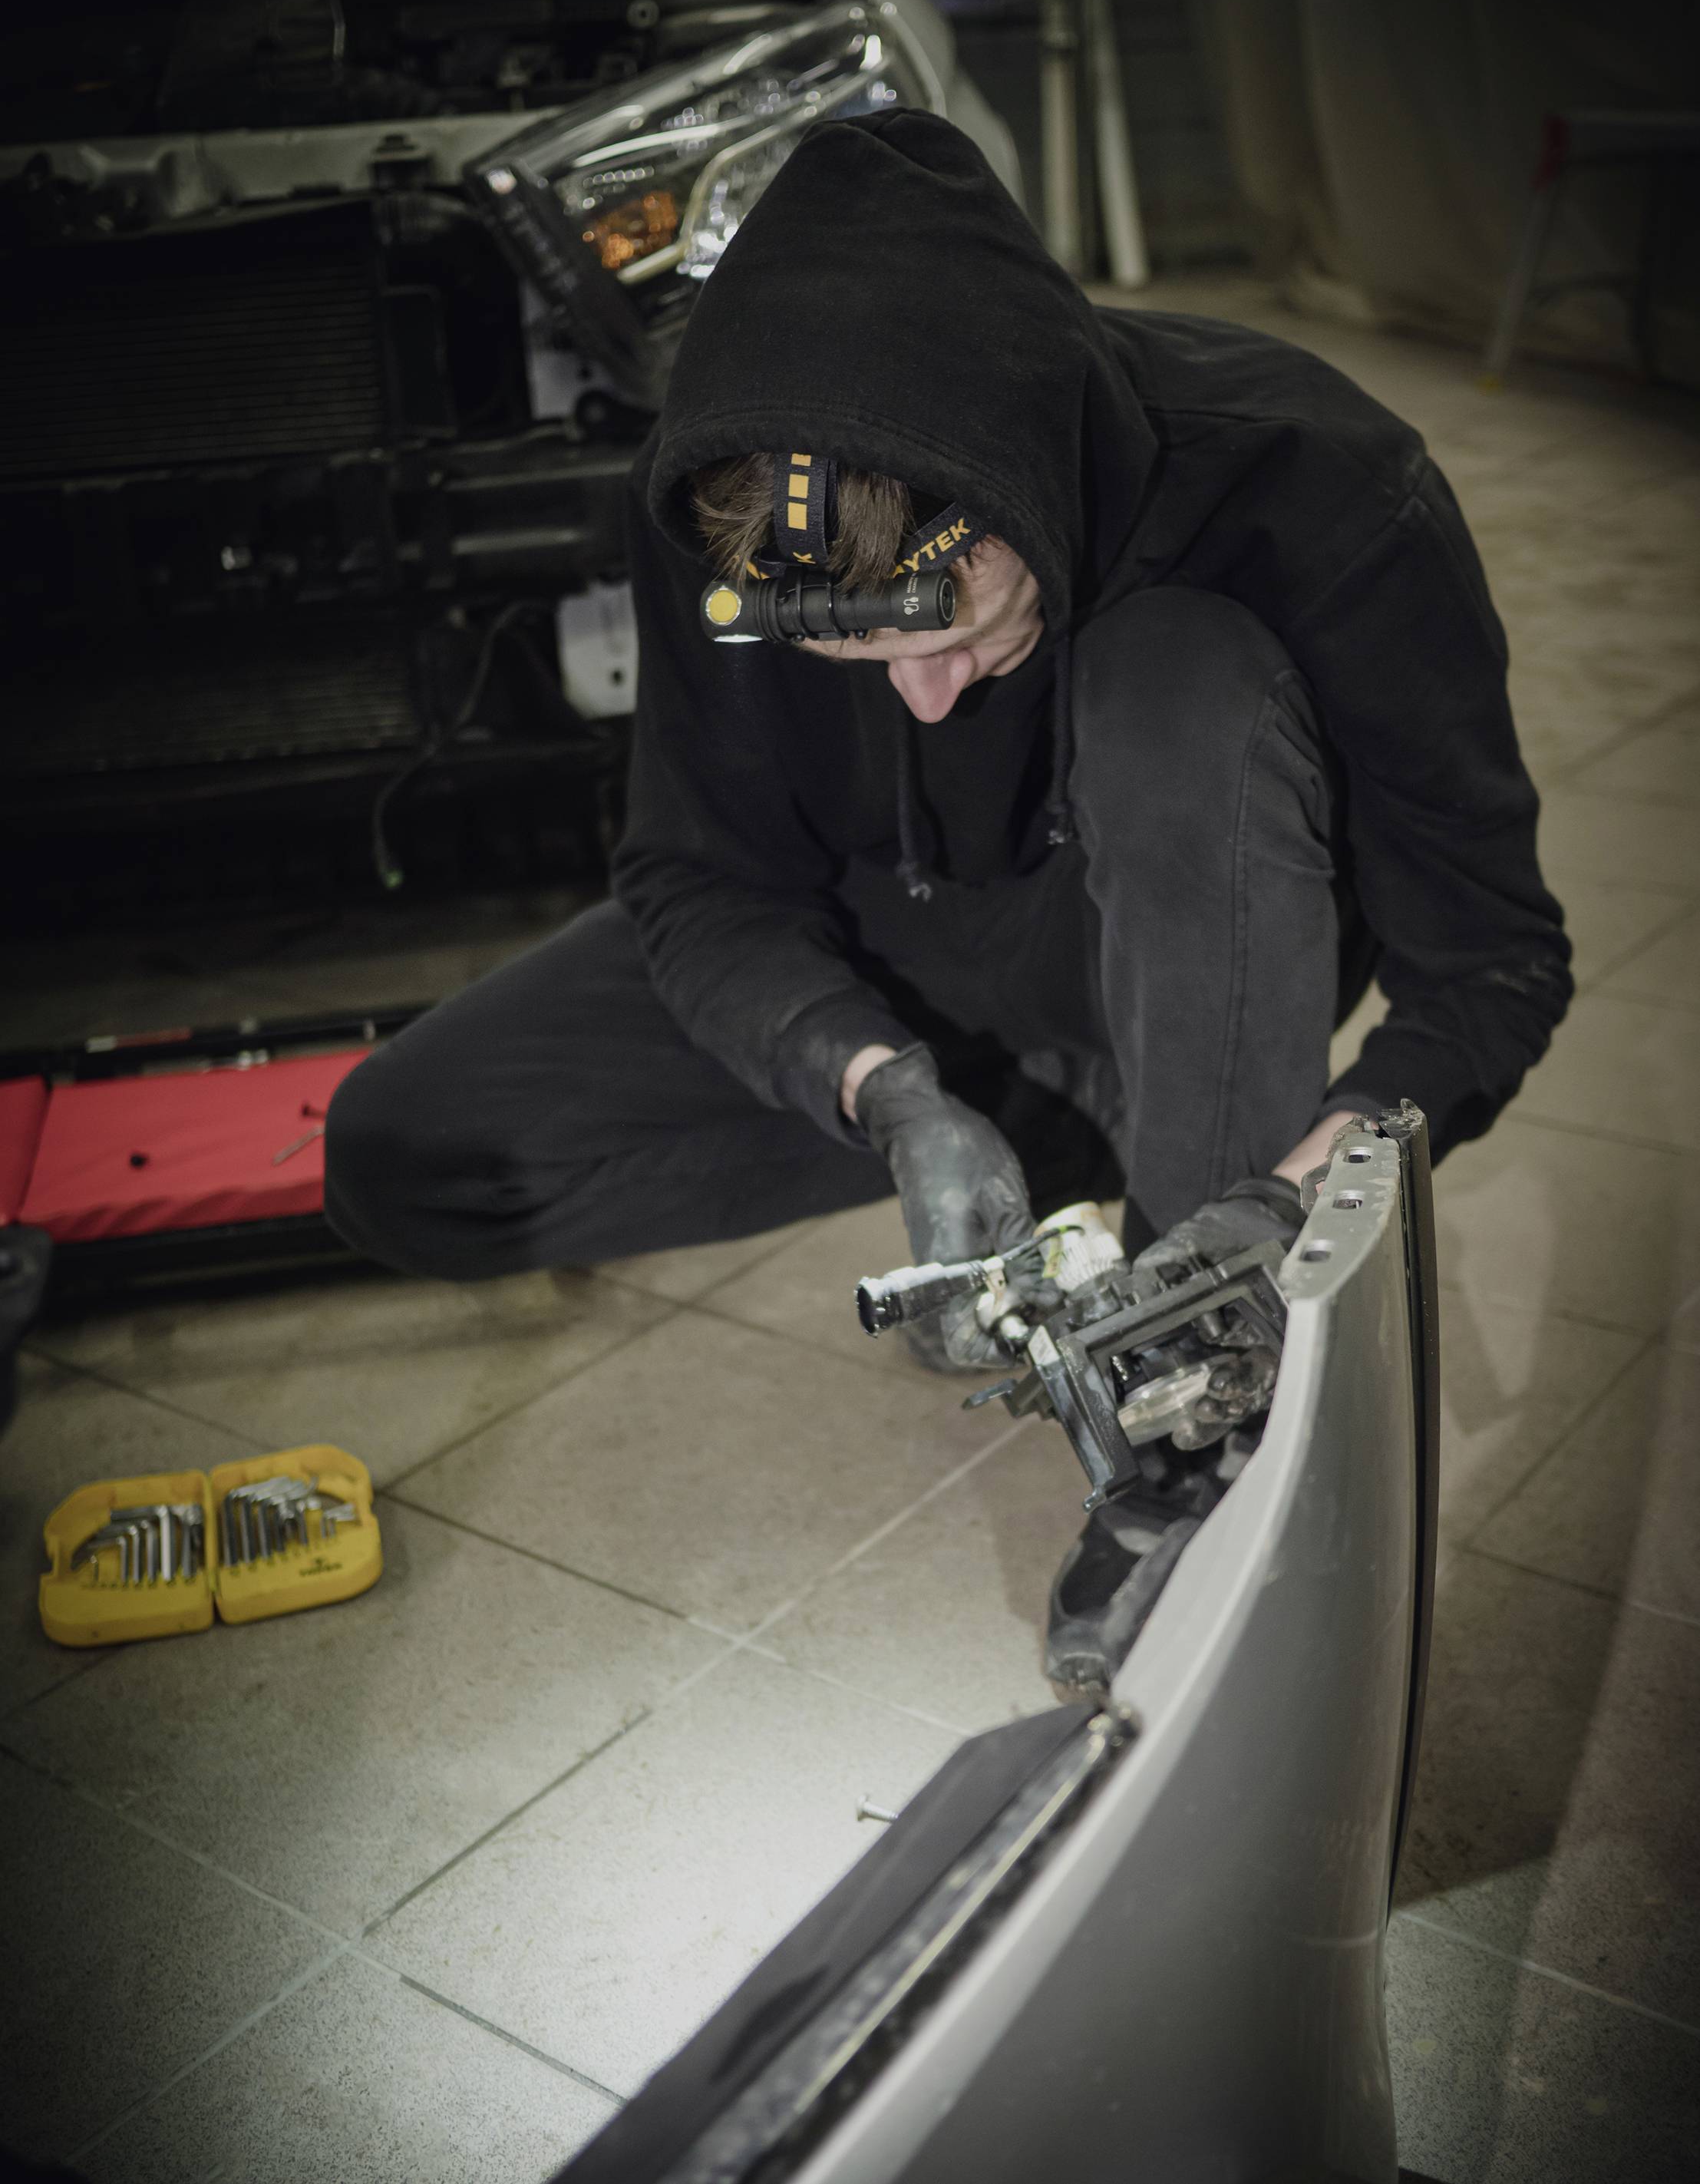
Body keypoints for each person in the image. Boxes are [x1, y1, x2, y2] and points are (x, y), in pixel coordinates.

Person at [325, 109, 1569, 1651]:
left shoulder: (1322, 490)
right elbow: (697, 878)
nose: (922, 701)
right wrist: (881, 1089)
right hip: (913, 953)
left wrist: (1287, 1196)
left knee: (1179, 668)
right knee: (407, 1154)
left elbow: (1492, 967)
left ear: (1023, 475)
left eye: (951, 634)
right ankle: (1028, 1129)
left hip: (1191, 957)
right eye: (858, 658)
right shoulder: (719, 513)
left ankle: (1185, 1357)